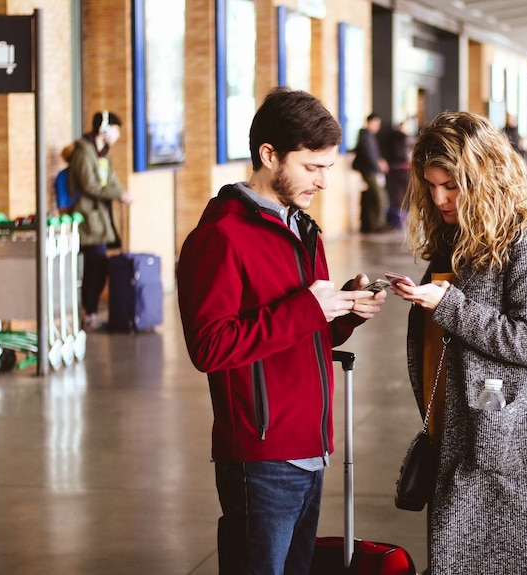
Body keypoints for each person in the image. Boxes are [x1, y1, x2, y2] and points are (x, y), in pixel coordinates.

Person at [176, 88, 387, 575]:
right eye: (312, 167)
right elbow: (210, 346)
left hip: (310, 447)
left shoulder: (302, 228)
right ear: (269, 155)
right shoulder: (219, 237)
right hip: (261, 455)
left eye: (328, 169)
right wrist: (309, 307)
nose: (323, 182)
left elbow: (306, 332)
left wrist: (345, 310)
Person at [391, 111, 527, 574]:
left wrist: (447, 305)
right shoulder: (454, 238)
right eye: (430, 186)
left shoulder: (526, 243)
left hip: (507, 451)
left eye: (450, 185)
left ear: (483, 176)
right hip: (458, 438)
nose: (440, 198)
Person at [69, 110, 132, 330]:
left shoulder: (102, 154)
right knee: (95, 265)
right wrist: (117, 194)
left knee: (99, 265)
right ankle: (89, 313)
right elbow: (89, 185)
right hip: (88, 217)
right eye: (115, 131)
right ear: (103, 130)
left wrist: (122, 192)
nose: (117, 136)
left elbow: (111, 181)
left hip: (101, 218)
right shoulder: (84, 153)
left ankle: (91, 311)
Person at [353, 112, 389, 232]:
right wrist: (378, 169)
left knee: (376, 198)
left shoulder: (369, 136)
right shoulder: (365, 137)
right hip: (370, 172)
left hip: (372, 171)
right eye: (376, 124)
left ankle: (375, 224)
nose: (377, 127)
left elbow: (374, 155)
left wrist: (380, 161)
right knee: (380, 198)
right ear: (370, 122)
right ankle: (377, 225)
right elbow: (369, 156)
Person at [384, 119, 412, 229]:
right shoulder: (401, 139)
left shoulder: (391, 139)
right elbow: (402, 155)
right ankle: (400, 222)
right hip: (402, 170)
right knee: (402, 196)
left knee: (397, 197)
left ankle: (399, 222)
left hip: (396, 170)